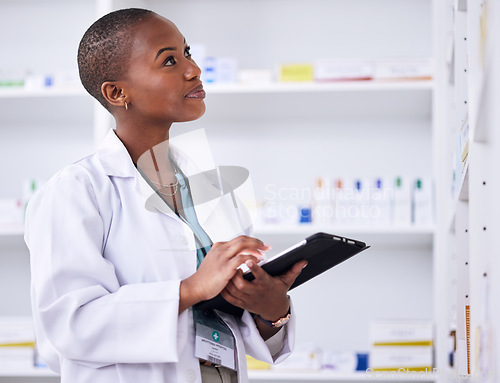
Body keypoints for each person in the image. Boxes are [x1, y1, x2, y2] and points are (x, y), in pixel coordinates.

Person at [25, 8, 307, 383]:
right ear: (116, 92)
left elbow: (236, 324)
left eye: (187, 53)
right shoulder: (76, 191)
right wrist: (189, 289)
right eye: (169, 61)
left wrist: (272, 310)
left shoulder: (211, 185)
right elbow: (70, 326)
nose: (193, 70)